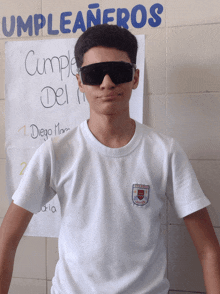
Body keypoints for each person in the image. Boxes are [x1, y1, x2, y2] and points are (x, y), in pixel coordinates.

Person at [0, 24, 220, 294]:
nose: (107, 83)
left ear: (135, 77)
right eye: (93, 74)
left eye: (118, 72)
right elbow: (6, 240)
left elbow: (208, 249)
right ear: (79, 81)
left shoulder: (164, 152)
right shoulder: (56, 152)